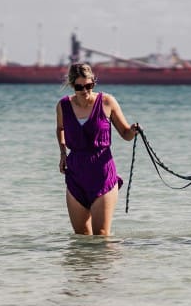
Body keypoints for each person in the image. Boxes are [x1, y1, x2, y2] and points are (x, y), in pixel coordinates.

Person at [56, 63, 140, 236]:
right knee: (80, 236)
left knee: (101, 235)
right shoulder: (63, 105)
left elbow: (125, 134)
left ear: (93, 82)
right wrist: (63, 153)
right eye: (80, 87)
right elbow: (60, 129)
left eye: (89, 85)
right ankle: (85, 265)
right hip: (76, 174)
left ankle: (107, 263)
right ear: (72, 85)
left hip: (102, 173)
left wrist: (133, 131)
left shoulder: (107, 101)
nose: (85, 91)